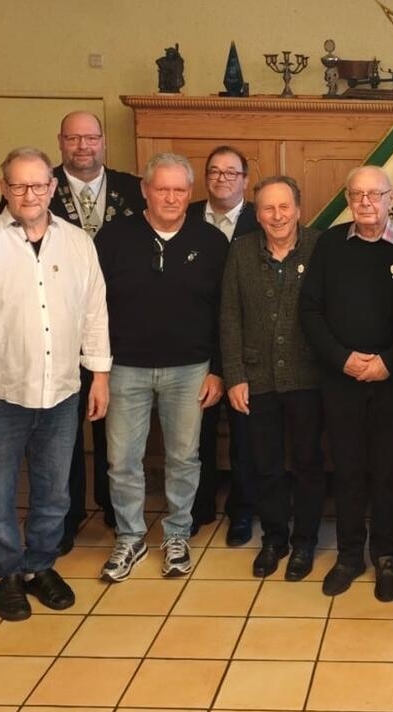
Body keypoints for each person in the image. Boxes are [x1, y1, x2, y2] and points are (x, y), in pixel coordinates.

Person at [0, 147, 110, 621]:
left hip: (62, 390)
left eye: (40, 185)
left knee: (55, 490)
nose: (31, 194)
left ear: (53, 187)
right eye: (20, 185)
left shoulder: (76, 243)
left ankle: (40, 565)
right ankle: (6, 572)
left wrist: (99, 375)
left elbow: (94, 311)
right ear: (4, 188)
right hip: (0, 395)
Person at [96, 153, 228, 581]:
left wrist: (218, 370)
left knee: (184, 458)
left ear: (191, 193)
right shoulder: (114, 238)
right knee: (122, 460)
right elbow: (93, 307)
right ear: (145, 190)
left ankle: (177, 534)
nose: (171, 197)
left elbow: (226, 312)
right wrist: (98, 368)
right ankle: (130, 537)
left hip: (191, 368)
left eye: (180, 189)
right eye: (162, 188)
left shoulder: (210, 242)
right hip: (125, 368)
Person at [299, 165, 393, 600]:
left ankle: (387, 555)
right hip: (342, 381)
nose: (366, 202)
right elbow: (309, 312)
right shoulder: (329, 244)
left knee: (390, 472)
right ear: (348, 199)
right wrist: (343, 359)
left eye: (375, 194)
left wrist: (387, 362)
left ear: (392, 197)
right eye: (358, 195)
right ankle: (350, 555)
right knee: (349, 470)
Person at [49, 111, 145, 552]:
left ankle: (112, 505)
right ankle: (67, 513)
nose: (83, 146)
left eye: (90, 138)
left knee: (112, 422)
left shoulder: (131, 187)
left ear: (104, 141)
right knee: (65, 426)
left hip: (120, 328)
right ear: (61, 142)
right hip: (60, 332)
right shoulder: (39, 188)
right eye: (73, 138)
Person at [220, 175, 324, 581]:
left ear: (298, 209)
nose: (277, 215)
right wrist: (233, 375)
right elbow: (229, 315)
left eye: (284, 207)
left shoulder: (320, 247)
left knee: (308, 463)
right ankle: (275, 538)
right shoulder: (242, 251)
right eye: (268, 208)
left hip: (308, 379)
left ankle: (304, 542)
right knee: (265, 464)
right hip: (256, 378)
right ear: (257, 213)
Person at [187, 145, 261, 543]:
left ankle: (242, 511)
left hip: (246, 344)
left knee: (244, 434)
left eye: (231, 173)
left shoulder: (261, 219)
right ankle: (199, 507)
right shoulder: (187, 215)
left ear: (245, 181)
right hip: (195, 341)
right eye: (214, 172)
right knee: (196, 431)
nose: (222, 179)